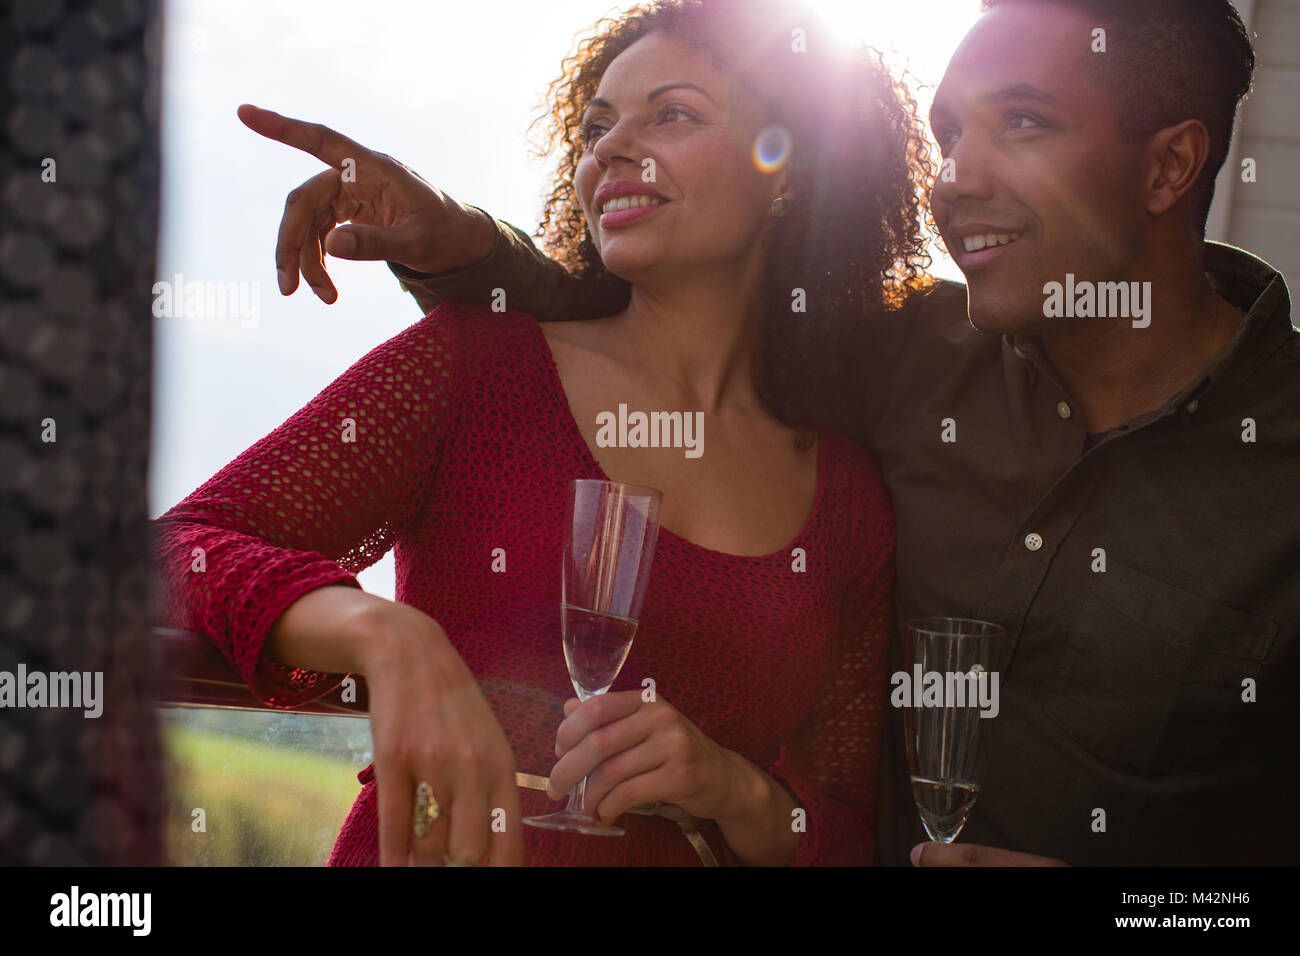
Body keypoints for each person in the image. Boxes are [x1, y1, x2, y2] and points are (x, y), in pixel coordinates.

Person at [275, 0, 1298, 865]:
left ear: (1169, 166)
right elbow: (669, 321)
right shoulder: (905, 352)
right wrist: (460, 244)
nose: (955, 179)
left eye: (1022, 125)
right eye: (949, 135)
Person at [154, 0, 936, 865]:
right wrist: (380, 633)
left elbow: (848, 831)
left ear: (787, 171)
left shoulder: (849, 500)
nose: (610, 149)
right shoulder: (476, 365)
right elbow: (177, 549)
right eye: (597, 127)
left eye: (672, 114)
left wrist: (733, 787)